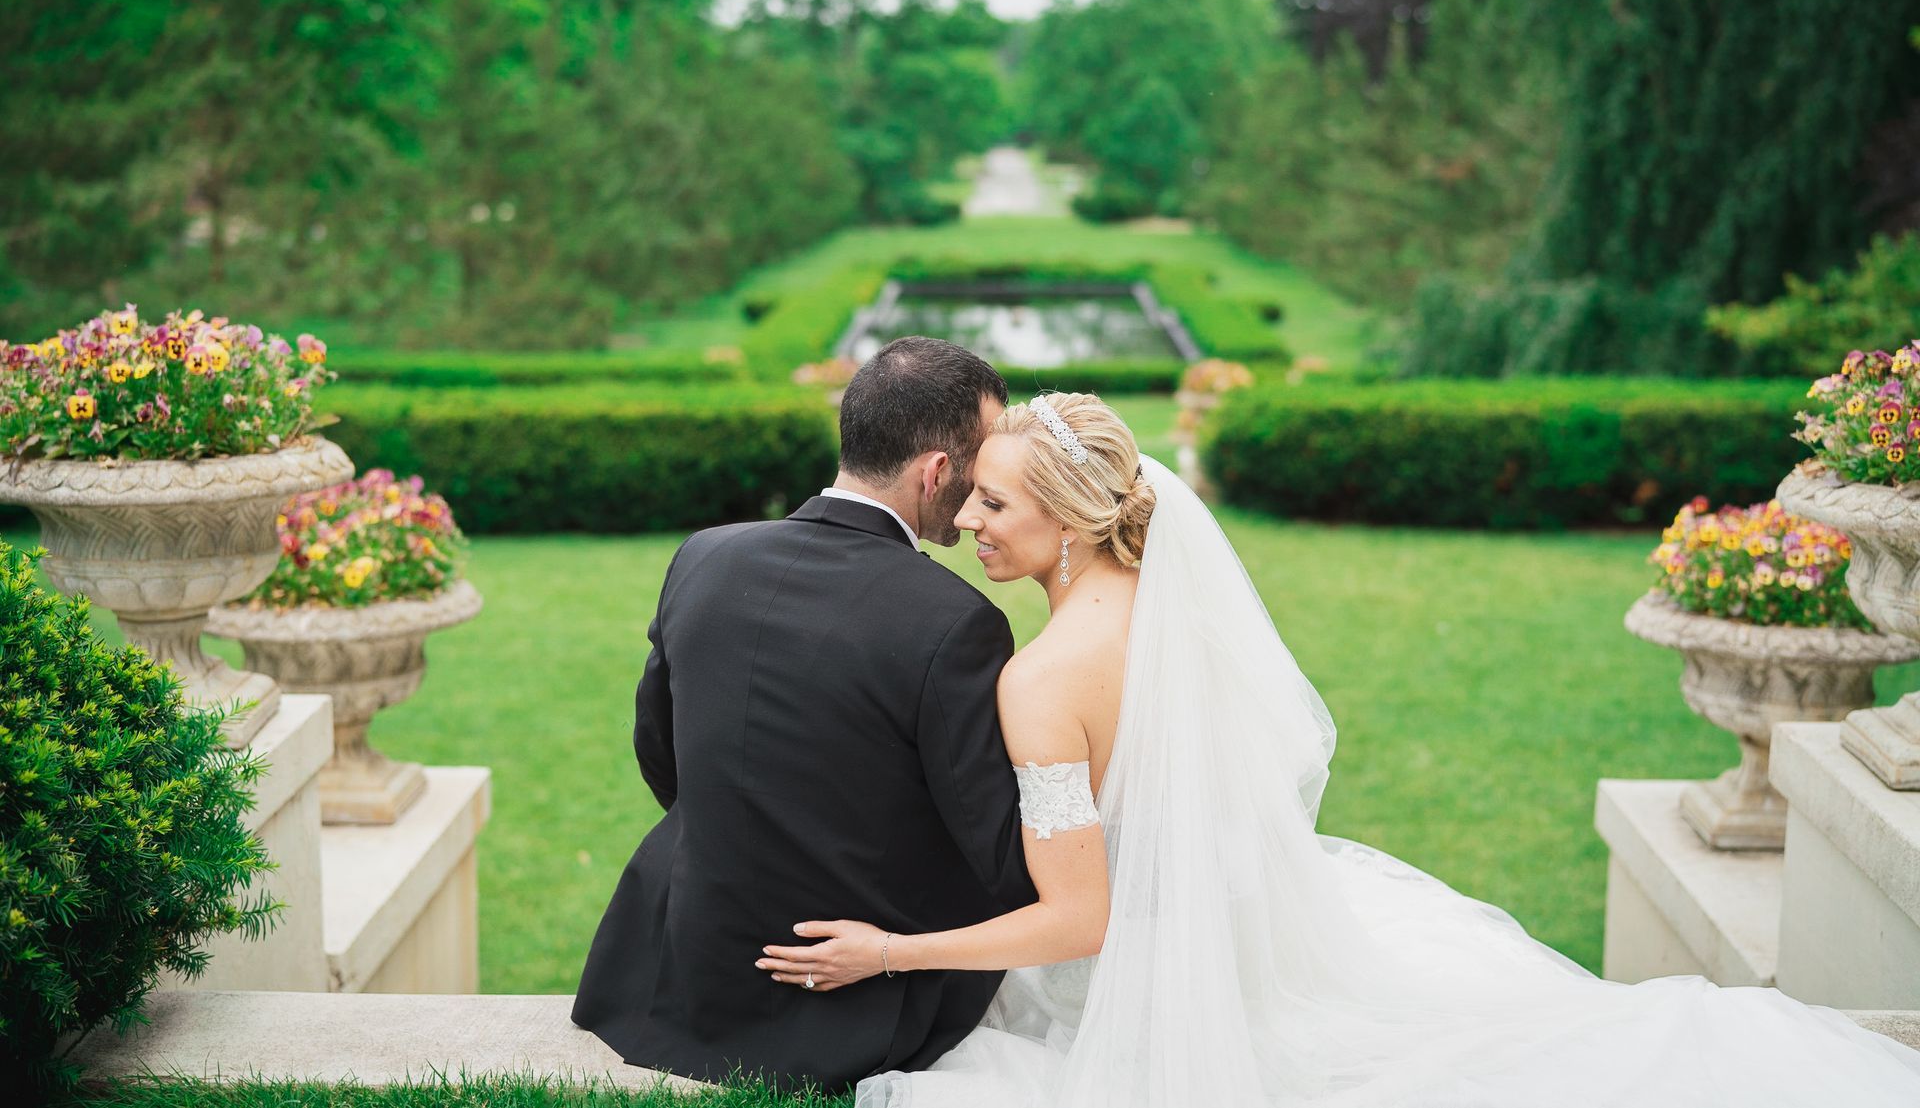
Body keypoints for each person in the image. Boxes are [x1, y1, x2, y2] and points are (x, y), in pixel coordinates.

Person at [756, 391, 1920, 1107]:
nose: (966, 522)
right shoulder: (1169, 609)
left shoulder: (1041, 681)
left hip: (1149, 984)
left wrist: (896, 951)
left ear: (1069, 515)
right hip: (1252, 931)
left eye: (996, 507)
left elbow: (1080, 920)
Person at [570, 336, 1037, 1095]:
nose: (988, 482)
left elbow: (660, 750)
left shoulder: (703, 555)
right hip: (856, 997)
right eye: (983, 464)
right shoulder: (956, 620)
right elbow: (996, 850)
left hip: (678, 971)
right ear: (938, 472)